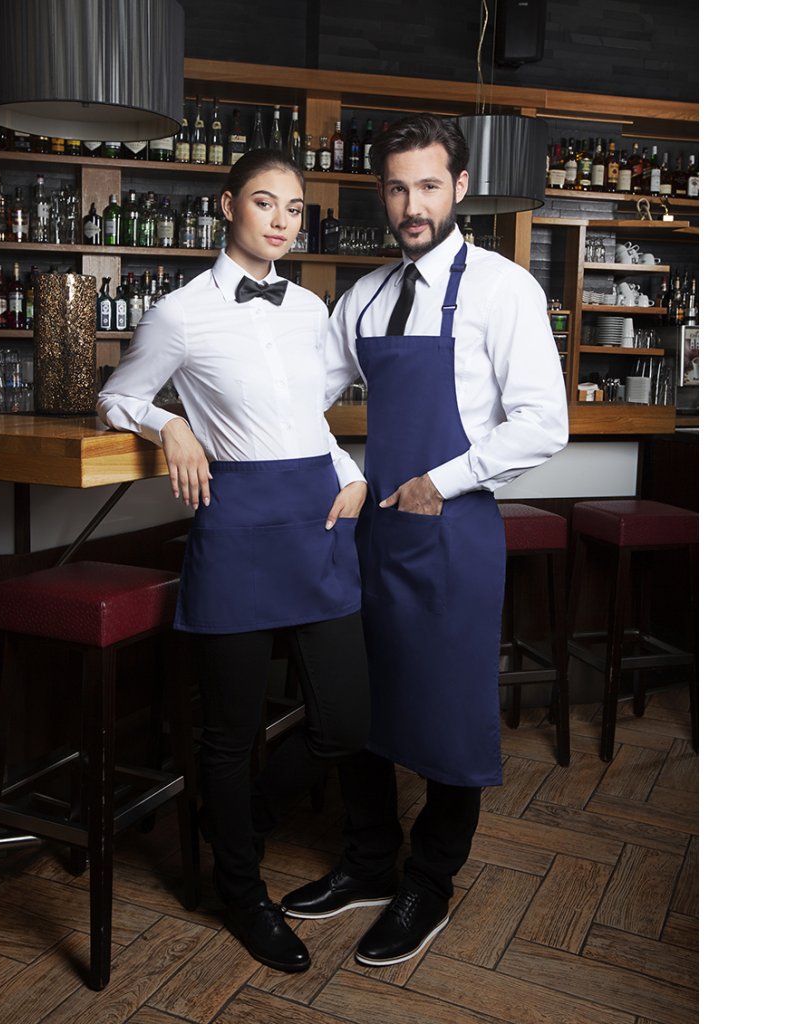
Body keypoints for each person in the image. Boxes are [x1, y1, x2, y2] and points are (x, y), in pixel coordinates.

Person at [281, 114, 569, 966]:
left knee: (449, 709)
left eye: (430, 186)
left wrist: (440, 482)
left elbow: (544, 423)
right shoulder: (365, 295)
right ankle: (370, 861)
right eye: (399, 188)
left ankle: (430, 882)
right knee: (360, 700)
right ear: (382, 192)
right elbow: (302, 400)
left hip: (452, 532)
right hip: (374, 533)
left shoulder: (504, 289)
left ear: (460, 188)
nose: (413, 206)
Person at [96, 150, 371, 974]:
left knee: (347, 720)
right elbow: (116, 395)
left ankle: (235, 820)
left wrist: (351, 472)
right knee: (229, 732)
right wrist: (170, 425)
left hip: (319, 517)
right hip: (239, 527)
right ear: (227, 206)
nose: (282, 221)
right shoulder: (180, 313)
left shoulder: (312, 309)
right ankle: (242, 893)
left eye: (295, 208)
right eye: (264, 202)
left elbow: (307, 415)